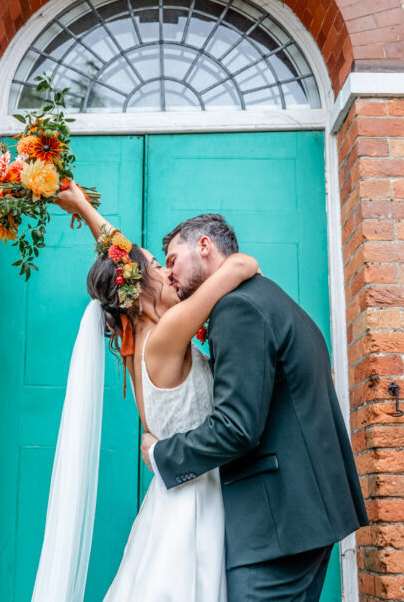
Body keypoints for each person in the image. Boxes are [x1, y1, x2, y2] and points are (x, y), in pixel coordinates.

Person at [141, 213, 369, 602]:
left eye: (172, 259)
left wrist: (161, 454)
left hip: (277, 525)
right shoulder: (270, 297)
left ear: (204, 246)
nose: (169, 273)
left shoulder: (238, 309)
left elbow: (236, 427)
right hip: (305, 516)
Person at [54, 182, 258, 601]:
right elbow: (240, 267)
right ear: (141, 289)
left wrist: (84, 208)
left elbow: (128, 263)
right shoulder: (166, 334)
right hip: (195, 503)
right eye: (160, 268)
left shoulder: (139, 339)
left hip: (172, 494)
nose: (169, 273)